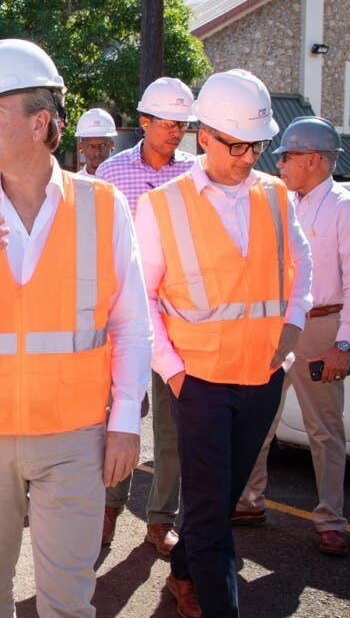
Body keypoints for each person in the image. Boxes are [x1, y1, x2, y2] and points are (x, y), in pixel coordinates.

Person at [0, 38, 152, 618]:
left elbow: (131, 323)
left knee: (67, 598)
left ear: (41, 122)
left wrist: (124, 422)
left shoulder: (104, 206)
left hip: (74, 437)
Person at [134, 69, 312, 618]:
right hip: (200, 383)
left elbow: (301, 267)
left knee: (221, 498)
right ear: (204, 135)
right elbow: (142, 298)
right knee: (214, 519)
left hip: (262, 378)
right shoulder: (162, 205)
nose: (247, 157)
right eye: (237, 145)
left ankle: (182, 569)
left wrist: (288, 339)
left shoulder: (276, 195)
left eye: (257, 145)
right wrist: (174, 371)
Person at [235, 116, 350, 557]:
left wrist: (343, 345)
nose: (279, 164)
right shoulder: (282, 202)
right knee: (258, 419)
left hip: (320, 327)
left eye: (288, 156)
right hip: (278, 325)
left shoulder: (348, 209)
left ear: (313, 160)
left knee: (324, 431)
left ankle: (331, 520)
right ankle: (249, 502)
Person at [94, 77, 198, 555]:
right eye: (168, 122)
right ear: (144, 122)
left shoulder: (196, 175)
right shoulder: (112, 174)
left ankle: (160, 519)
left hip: (176, 318)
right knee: (121, 412)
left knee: (173, 425)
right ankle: (109, 508)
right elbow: (95, 244)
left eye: (182, 124)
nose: (176, 131)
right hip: (125, 317)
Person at [74, 108, 116, 177]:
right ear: (80, 147)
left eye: (103, 145)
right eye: (91, 146)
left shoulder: (123, 180)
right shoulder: (74, 182)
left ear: (112, 145)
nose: (97, 152)